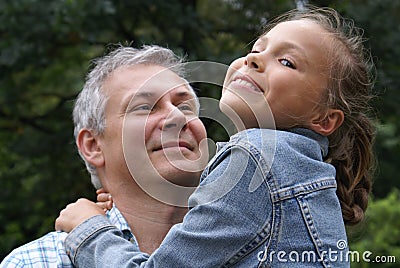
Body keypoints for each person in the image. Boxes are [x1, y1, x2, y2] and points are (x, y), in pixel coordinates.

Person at [55, 6, 376, 267]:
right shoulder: (287, 173)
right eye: (256, 49)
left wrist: (88, 229)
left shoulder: (256, 158)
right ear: (93, 145)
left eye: (287, 61)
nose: (253, 59)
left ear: (324, 118)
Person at [0, 45, 208, 267]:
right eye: (145, 107)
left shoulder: (247, 251)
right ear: (93, 146)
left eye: (185, 107)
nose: (177, 117)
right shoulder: (37, 263)